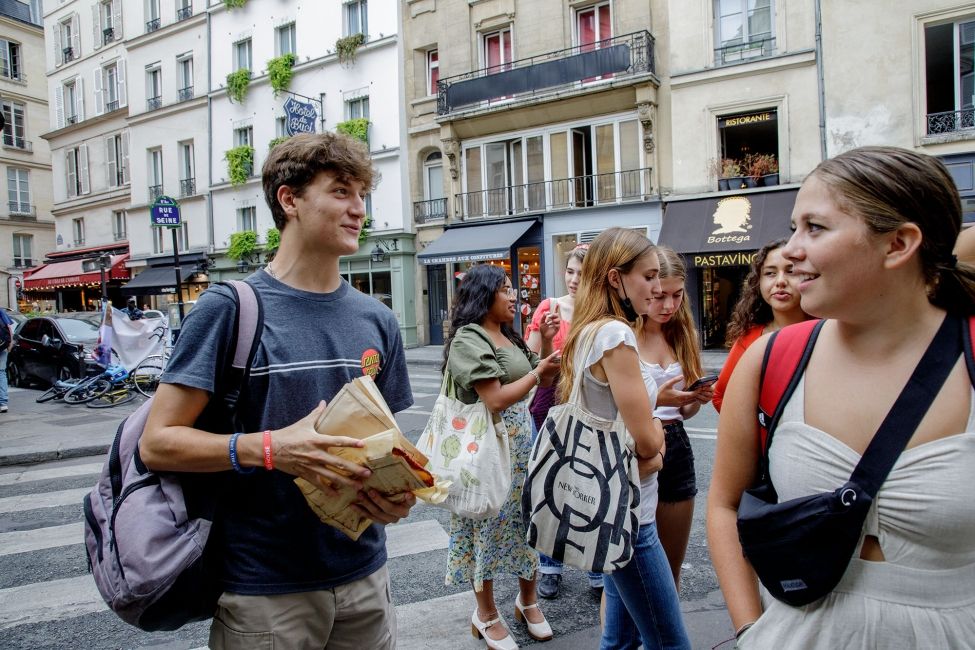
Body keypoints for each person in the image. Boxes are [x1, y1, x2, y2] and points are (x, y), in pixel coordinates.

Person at [140, 132, 415, 649]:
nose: (359, 209)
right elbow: (157, 442)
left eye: (362, 195)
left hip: (365, 578)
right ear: (289, 200)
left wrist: (396, 495)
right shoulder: (228, 308)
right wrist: (270, 449)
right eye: (340, 191)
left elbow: (384, 446)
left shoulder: (377, 319)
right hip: (266, 590)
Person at [707, 146, 975, 648]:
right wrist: (750, 630)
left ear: (898, 244)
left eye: (815, 228)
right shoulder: (770, 359)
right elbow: (723, 504)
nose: (789, 250)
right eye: (793, 227)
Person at [558, 227, 691, 650]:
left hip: (616, 504)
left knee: (619, 640)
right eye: (648, 277)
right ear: (616, 279)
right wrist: (658, 439)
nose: (656, 288)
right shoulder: (616, 336)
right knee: (670, 642)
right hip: (633, 515)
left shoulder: (588, 330)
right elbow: (648, 443)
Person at [442, 263, 561, 650]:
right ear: (483, 295)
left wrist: (543, 339)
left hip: (521, 446)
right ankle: (486, 613)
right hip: (487, 449)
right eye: (506, 289)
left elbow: (533, 374)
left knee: (529, 522)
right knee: (488, 527)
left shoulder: (507, 334)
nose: (514, 296)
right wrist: (538, 372)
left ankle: (527, 601)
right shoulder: (469, 338)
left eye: (513, 289)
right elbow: (494, 399)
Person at [524, 243, 603, 598]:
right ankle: (549, 565)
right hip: (549, 398)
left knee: (589, 483)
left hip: (587, 400)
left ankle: (595, 567)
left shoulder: (601, 312)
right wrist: (543, 334)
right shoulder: (549, 307)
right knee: (550, 483)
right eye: (570, 271)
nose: (573, 279)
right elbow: (532, 358)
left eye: (581, 274)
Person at [636, 246, 713, 590]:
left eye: (677, 295)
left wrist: (695, 398)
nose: (668, 306)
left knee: (671, 570)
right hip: (637, 446)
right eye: (659, 296)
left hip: (677, 444)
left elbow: (685, 412)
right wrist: (656, 399)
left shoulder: (684, 335)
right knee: (628, 572)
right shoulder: (625, 334)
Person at [711, 238, 810, 412]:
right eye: (770, 273)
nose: (780, 281)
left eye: (791, 271)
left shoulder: (830, 331)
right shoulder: (749, 338)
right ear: (759, 282)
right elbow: (721, 395)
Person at [0, 308, 14, 413]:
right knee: (1, 373)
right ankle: (3, 403)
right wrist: (10, 343)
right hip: (2, 346)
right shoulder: (1, 311)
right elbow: (9, 327)